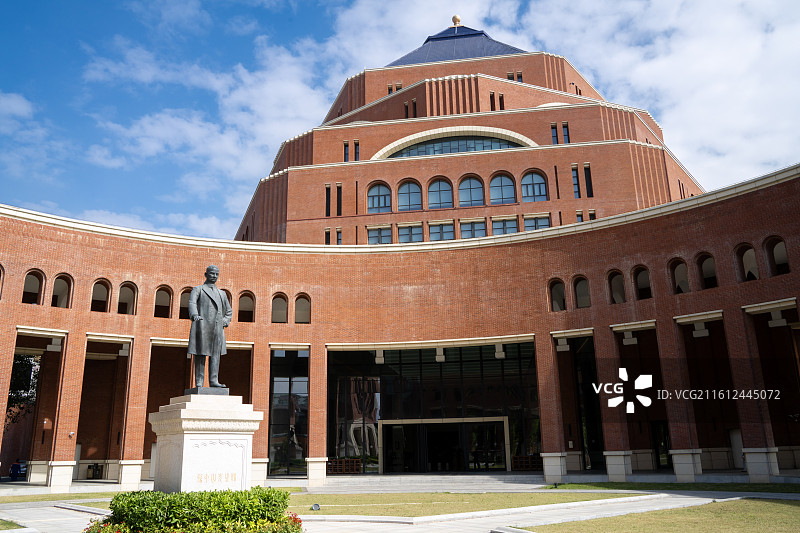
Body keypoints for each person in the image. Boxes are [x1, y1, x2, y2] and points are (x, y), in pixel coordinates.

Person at [187, 265, 232, 388]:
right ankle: (199, 382)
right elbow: (192, 303)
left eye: (217, 274)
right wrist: (195, 315)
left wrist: (225, 321)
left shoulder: (222, 294)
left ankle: (214, 381)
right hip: (202, 325)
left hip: (217, 328)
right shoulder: (198, 289)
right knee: (200, 354)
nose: (214, 276)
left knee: (215, 355)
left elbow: (229, 311)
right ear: (205, 274)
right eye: (212, 273)